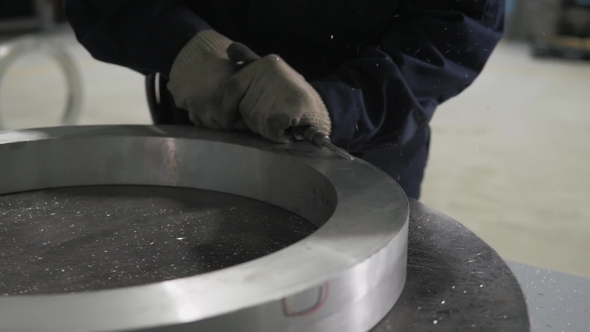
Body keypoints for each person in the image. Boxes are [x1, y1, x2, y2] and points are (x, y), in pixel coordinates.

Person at [64, 0, 505, 199]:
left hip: (364, 145)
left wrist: (339, 106)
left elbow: (457, 25)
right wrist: (182, 46)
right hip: (197, 131)